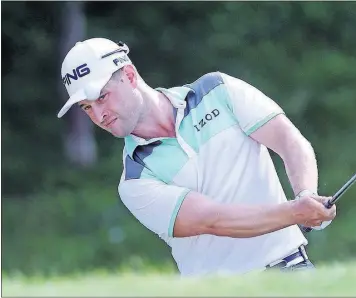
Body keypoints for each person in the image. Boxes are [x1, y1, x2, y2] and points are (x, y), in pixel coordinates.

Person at [57, 37, 337, 277]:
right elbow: (215, 219)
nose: (98, 115)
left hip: (292, 270)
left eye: (102, 97)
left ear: (129, 76)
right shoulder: (135, 179)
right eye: (86, 107)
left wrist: (306, 194)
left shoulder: (218, 90)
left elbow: (288, 141)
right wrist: (295, 212)